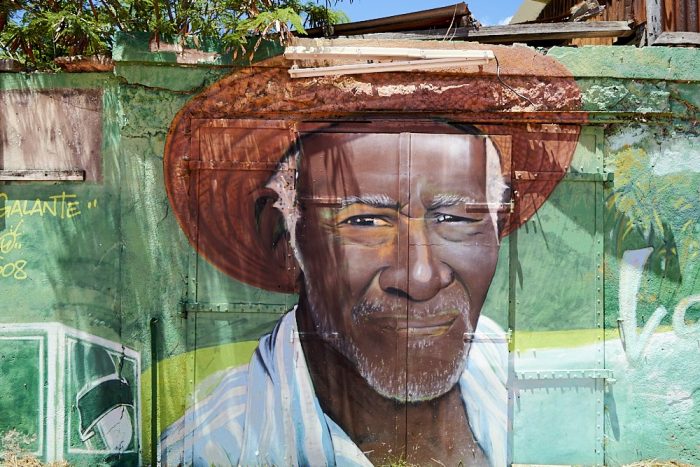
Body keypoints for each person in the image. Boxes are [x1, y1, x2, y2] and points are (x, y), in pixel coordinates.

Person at [159, 46, 581, 466]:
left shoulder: (516, 380)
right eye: (365, 222)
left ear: (496, 224)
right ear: (283, 238)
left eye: (454, 217)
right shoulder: (214, 451)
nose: (420, 277)